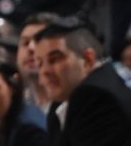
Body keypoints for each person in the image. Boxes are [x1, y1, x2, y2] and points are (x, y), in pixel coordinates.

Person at [35, 16, 131, 146]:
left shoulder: (93, 96)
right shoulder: (64, 101)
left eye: (54, 59)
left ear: (88, 59)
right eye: (39, 64)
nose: (44, 71)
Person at [17, 12, 56, 112]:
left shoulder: (74, 102)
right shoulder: (15, 106)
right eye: (25, 43)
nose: (31, 48)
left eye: (39, 40)